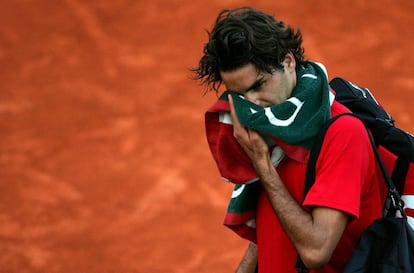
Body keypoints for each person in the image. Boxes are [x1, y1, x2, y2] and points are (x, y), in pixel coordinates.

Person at [192, 6, 386, 273]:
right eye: (239, 94)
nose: (253, 104)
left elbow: (316, 251)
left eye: (258, 85)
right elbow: (279, 221)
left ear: (288, 61)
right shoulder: (272, 129)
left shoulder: (342, 134)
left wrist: (262, 165)